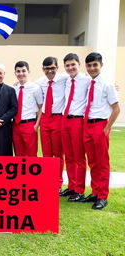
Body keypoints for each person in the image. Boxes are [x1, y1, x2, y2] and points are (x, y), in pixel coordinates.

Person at [82, 52, 120, 210]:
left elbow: (116, 109)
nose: (92, 68)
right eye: (89, 65)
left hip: (100, 126)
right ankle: (96, 192)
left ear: (101, 65)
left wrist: (106, 129)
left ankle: (103, 196)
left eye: (95, 65)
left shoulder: (107, 84)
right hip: (88, 125)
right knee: (92, 162)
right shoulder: (89, 82)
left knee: (102, 163)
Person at [60, 53, 90, 201]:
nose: (70, 67)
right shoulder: (65, 79)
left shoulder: (87, 79)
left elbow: (102, 85)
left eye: (73, 64)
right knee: (69, 156)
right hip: (65, 120)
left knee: (79, 157)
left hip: (78, 121)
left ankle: (79, 190)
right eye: (67, 65)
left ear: (79, 64)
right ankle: (72, 186)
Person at [35, 57, 67, 192]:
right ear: (43, 69)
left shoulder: (64, 78)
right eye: (47, 68)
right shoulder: (39, 82)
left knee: (58, 153)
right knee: (47, 153)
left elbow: (83, 78)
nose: (50, 71)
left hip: (58, 118)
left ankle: (58, 183)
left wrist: (112, 85)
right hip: (45, 119)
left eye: (52, 68)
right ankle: (48, 181)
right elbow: (25, 86)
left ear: (57, 68)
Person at [12, 61, 43, 156]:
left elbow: (41, 107)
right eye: (18, 71)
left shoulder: (35, 88)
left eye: (23, 71)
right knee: (18, 153)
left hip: (29, 124)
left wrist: (37, 125)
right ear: (15, 73)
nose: (21, 73)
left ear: (28, 72)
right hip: (15, 125)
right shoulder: (13, 88)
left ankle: (31, 171)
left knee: (31, 153)